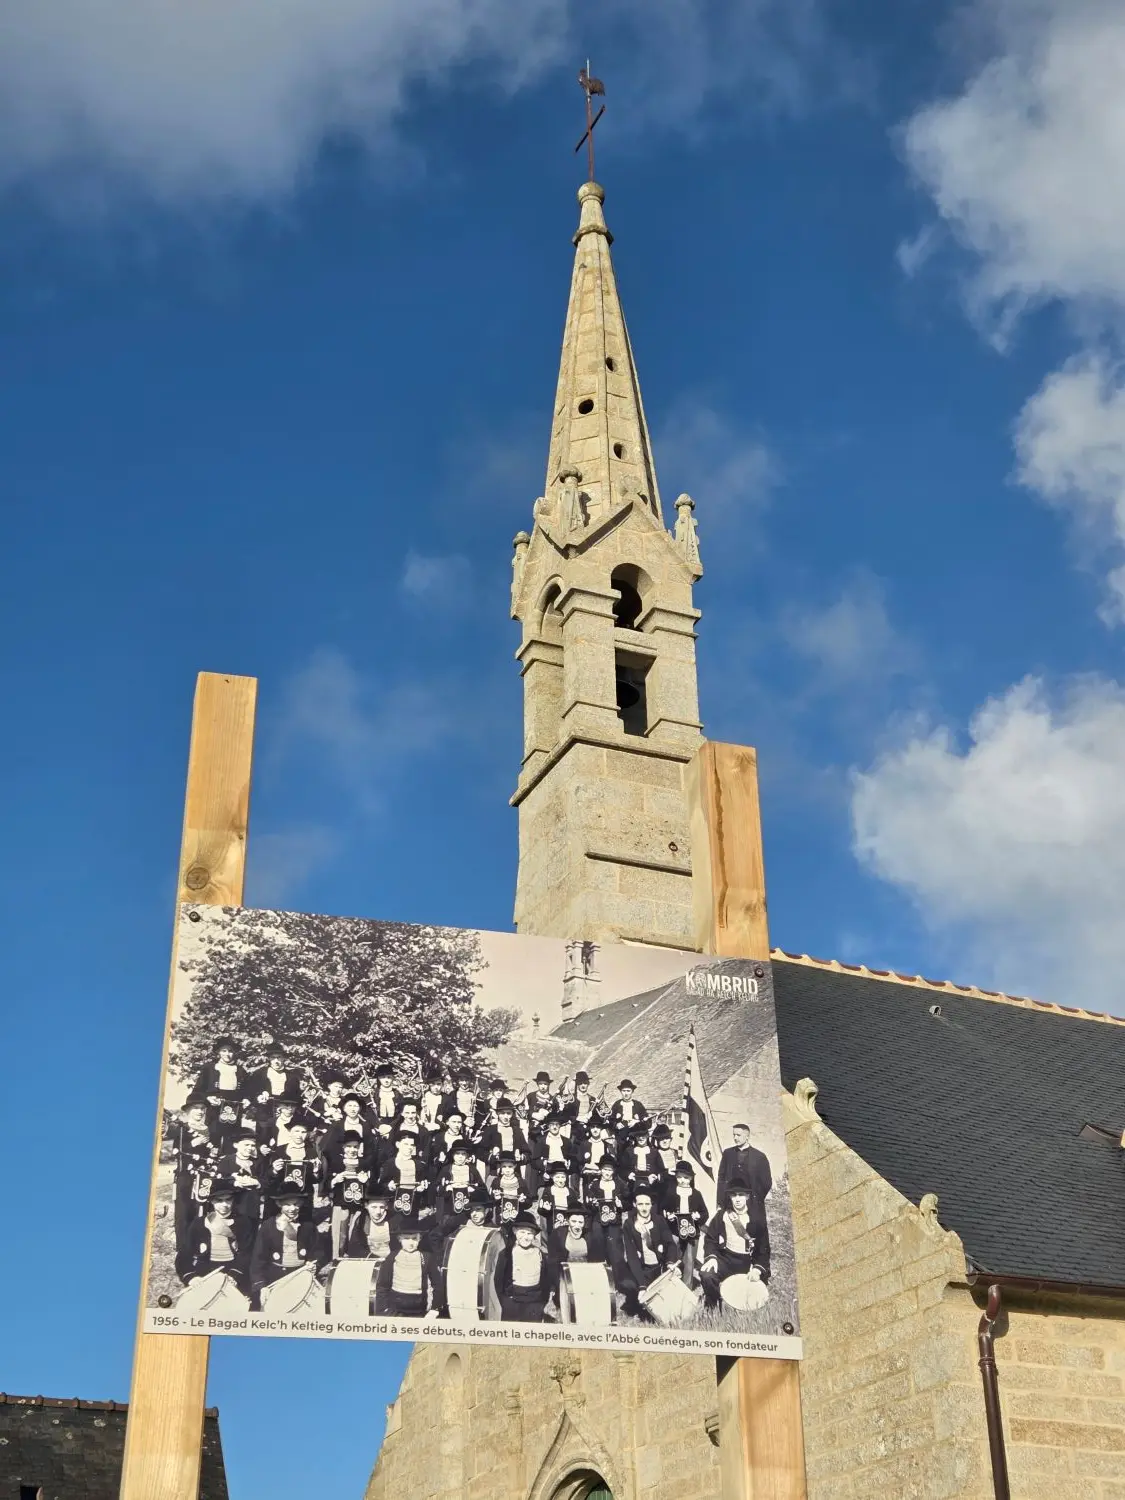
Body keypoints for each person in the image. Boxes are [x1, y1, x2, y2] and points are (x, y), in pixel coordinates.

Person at [250, 1185, 326, 1309]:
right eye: (287, 1204)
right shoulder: (268, 1226)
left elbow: (319, 1251)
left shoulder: (308, 1226)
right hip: (275, 1277)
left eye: (296, 1204)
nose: (292, 1208)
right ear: (279, 1204)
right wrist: (261, 1286)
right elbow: (258, 1259)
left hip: (301, 1275)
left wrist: (313, 1264)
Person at [699, 1178, 770, 1310]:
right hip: (724, 1259)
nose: (737, 1199)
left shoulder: (757, 1219)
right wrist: (712, 1257)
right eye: (734, 1195)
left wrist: (757, 1268)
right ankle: (712, 1308)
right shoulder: (722, 1215)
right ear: (730, 1197)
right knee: (707, 1274)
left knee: (751, 1301)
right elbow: (710, 1239)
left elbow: (763, 1250)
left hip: (745, 1263)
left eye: (741, 1195)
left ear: (747, 1196)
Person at [174, 1181, 255, 1292]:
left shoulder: (244, 1222)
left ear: (233, 1200)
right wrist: (191, 1277)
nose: (224, 1205)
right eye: (219, 1200)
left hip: (234, 1270)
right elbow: (184, 1254)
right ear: (212, 1201)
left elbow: (247, 1253)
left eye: (228, 1199)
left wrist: (234, 1275)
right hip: (206, 1270)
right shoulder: (199, 1223)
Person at [618, 1185, 679, 1318]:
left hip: (659, 1268)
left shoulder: (659, 1220)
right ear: (634, 1204)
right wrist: (641, 1285)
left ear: (652, 1204)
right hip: (641, 1269)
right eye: (640, 1204)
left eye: (647, 1204)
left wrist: (670, 1262)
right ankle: (636, 1304)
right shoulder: (629, 1224)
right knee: (627, 1284)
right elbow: (632, 1256)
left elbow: (670, 1244)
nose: (644, 1208)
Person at [171, 1099, 219, 1252]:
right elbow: (176, 1152)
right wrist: (193, 1144)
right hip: (186, 1175)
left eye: (202, 1108)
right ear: (188, 1111)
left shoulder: (209, 1129)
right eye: (196, 1108)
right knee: (185, 1211)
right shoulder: (182, 1129)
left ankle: (201, 1245)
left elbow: (214, 1151)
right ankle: (183, 1248)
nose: (200, 1112)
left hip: (205, 1175)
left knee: (203, 1209)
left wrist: (214, 1152)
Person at [374, 1216, 440, 1317]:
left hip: (418, 1311)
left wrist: (435, 1308)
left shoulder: (426, 1257)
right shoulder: (392, 1257)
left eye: (414, 1239)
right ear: (399, 1239)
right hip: (395, 1310)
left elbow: (437, 1284)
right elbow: (382, 1285)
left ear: (420, 1238)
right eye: (406, 1239)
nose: (410, 1243)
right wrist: (383, 1309)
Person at [193, 1038, 252, 1151]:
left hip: (235, 1110)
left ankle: (228, 1165)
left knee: (232, 1140)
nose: (227, 1054)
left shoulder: (240, 1070)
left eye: (230, 1051)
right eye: (224, 1051)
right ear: (219, 1052)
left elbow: (248, 1091)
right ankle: (210, 1166)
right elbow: (198, 1090)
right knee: (213, 1138)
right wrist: (208, 1098)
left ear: (234, 1052)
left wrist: (247, 1099)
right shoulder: (209, 1068)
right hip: (214, 1109)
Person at [494, 1213, 551, 1322]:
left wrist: (541, 1303)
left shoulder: (540, 1254)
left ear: (534, 1234)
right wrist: (506, 1300)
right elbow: (498, 1280)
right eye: (522, 1232)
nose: (525, 1237)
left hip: (535, 1302)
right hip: (512, 1302)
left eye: (530, 1233)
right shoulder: (506, 1254)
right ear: (515, 1231)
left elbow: (546, 1281)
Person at [547, 1200, 607, 1301]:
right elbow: (553, 1262)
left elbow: (597, 1262)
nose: (577, 1226)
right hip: (566, 1278)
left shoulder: (591, 1236)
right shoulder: (558, 1234)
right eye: (573, 1221)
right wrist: (554, 1286)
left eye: (580, 1222)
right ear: (567, 1220)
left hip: (586, 1276)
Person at [661, 1161, 709, 1285]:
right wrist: (668, 1216)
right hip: (675, 1231)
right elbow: (662, 1209)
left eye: (686, 1178)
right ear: (676, 1177)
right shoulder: (670, 1192)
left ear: (691, 1178)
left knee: (689, 1260)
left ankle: (687, 1287)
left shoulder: (696, 1194)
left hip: (692, 1232)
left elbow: (705, 1213)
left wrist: (698, 1216)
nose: (683, 1180)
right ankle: (672, 1284)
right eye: (679, 1177)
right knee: (673, 1257)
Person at [264, 1116, 318, 1216]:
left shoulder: (312, 1152)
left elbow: (316, 1180)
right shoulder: (279, 1150)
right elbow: (268, 1176)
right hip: (281, 1194)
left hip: (302, 1195)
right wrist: (274, 1170)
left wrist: (316, 1171)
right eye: (296, 1131)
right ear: (289, 1132)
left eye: (303, 1132)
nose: (299, 1135)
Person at [326, 1135, 370, 1258]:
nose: (352, 1150)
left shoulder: (364, 1163)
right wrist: (335, 1180)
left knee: (356, 1232)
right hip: (341, 1204)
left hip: (359, 1206)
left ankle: (353, 1257)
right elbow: (325, 1183)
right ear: (343, 1147)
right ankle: (337, 1258)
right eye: (349, 1146)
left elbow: (371, 1186)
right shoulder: (336, 1162)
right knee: (340, 1233)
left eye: (355, 1147)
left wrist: (366, 1181)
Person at [716, 1124, 772, 1212]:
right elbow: (721, 1179)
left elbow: (766, 1182)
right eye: (734, 1135)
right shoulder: (727, 1153)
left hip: (753, 1205)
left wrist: (756, 1198)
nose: (735, 1138)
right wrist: (720, 1202)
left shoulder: (760, 1156)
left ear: (747, 1137)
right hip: (730, 1204)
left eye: (738, 1135)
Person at [216, 1131, 266, 1224]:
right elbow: (219, 1182)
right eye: (246, 1145)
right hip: (232, 1206)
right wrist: (235, 1182)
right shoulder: (226, 1161)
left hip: (252, 1207)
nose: (250, 1148)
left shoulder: (258, 1162)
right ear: (236, 1145)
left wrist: (257, 1183)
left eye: (252, 1145)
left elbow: (265, 1182)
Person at [345, 1184, 395, 1268]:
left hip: (391, 1262)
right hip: (369, 1261)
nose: (378, 1212)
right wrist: (375, 1259)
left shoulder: (394, 1220)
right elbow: (354, 1248)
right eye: (374, 1207)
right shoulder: (362, 1220)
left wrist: (390, 1260)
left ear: (387, 1206)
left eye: (382, 1207)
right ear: (366, 1206)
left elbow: (399, 1247)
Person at [476, 1097, 529, 1173]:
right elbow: (480, 1151)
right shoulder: (490, 1130)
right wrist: (491, 1157)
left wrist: (521, 1157)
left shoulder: (517, 1131)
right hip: (494, 1171)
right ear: (497, 1113)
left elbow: (527, 1153)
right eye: (502, 1113)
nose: (505, 1117)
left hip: (514, 1171)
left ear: (512, 1114)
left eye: (508, 1113)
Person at [607, 1079, 647, 1144]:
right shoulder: (617, 1104)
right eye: (624, 1091)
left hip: (635, 1137)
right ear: (620, 1091)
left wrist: (637, 1121)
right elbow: (610, 1120)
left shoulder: (638, 1105)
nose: (626, 1093)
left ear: (632, 1091)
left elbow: (647, 1122)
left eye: (628, 1091)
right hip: (621, 1137)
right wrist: (616, 1125)